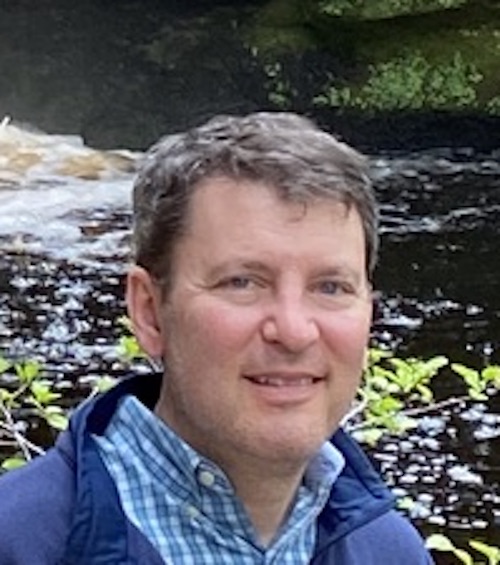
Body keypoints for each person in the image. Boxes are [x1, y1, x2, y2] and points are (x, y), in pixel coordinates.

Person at [0, 112, 434, 564]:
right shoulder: (16, 543)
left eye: (331, 287)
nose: (293, 331)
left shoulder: (389, 551)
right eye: (242, 283)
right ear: (149, 312)